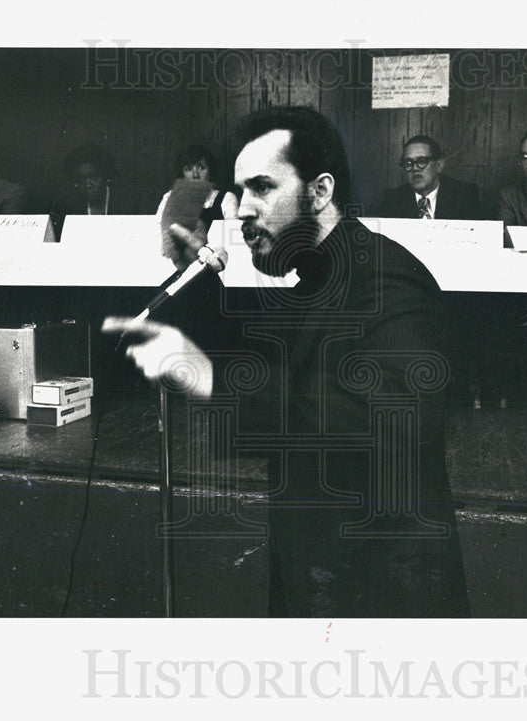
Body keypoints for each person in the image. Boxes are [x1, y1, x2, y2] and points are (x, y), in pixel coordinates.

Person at [105, 107, 469, 618]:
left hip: (384, 595)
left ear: (319, 192)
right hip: (327, 577)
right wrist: (194, 276)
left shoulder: (387, 278)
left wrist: (208, 378)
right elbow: (262, 366)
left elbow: (391, 419)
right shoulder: (318, 278)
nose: (241, 211)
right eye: (238, 192)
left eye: (262, 188)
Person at [375, 135, 483, 219]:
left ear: (439, 165)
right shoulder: (392, 200)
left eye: (422, 161)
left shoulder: (465, 195)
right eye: (408, 163)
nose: (415, 168)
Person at [50, 144, 138, 238]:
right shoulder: (67, 207)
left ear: (105, 176)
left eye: (94, 177)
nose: (88, 184)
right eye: (81, 179)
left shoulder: (126, 203)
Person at [155, 144, 239, 229]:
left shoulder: (227, 199)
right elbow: (157, 231)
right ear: (182, 175)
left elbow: (231, 235)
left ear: (210, 172)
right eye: (189, 169)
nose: (195, 175)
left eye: (201, 168)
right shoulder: (170, 197)